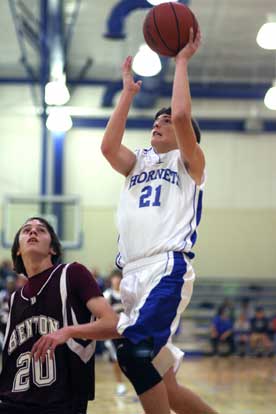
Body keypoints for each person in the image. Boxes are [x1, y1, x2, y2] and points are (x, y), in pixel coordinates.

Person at [100, 27, 216, 414]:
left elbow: (182, 113)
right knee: (167, 385)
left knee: (134, 354)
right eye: (157, 119)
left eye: (166, 121)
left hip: (166, 268)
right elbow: (107, 147)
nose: (160, 121)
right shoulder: (137, 162)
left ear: (186, 138)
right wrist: (127, 95)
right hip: (133, 275)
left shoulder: (189, 163)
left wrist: (180, 61)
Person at [0, 217, 118, 414]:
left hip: (61, 404)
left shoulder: (72, 273)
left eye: (41, 230)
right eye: (26, 229)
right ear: (18, 250)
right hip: (12, 402)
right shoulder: (13, 300)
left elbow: (114, 324)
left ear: (52, 249)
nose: (33, 232)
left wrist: (68, 331)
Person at [103, 269, 127, 396]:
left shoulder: (127, 295)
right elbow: (102, 315)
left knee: (130, 360)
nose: (116, 280)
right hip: (113, 332)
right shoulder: (107, 295)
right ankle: (120, 384)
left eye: (119, 278)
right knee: (116, 359)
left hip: (127, 332)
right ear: (111, 280)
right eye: (114, 278)